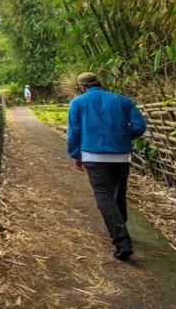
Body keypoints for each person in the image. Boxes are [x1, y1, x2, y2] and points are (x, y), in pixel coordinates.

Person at [67, 72, 146, 260]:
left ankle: (122, 241)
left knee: (104, 196)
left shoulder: (78, 103)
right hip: (121, 155)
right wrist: (122, 135)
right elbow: (139, 126)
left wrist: (75, 155)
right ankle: (119, 224)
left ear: (82, 87)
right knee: (118, 193)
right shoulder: (121, 100)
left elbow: (74, 132)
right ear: (100, 83)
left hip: (93, 156)